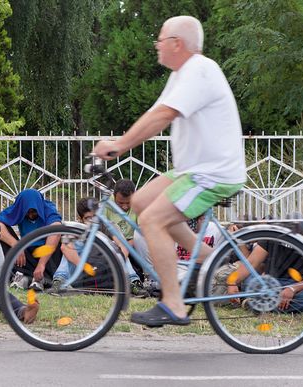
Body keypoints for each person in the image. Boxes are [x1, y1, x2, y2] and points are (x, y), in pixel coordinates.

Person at [93, 16, 246, 327]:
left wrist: (119, 145)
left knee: (151, 220)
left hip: (212, 173)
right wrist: (118, 142)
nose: (156, 46)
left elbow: (163, 116)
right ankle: (205, 258)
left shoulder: (200, 70)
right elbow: (154, 113)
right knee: (139, 203)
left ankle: (173, 304)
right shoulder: (180, 75)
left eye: (160, 40)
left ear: (177, 43)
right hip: (191, 170)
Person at [227, 213, 303, 313]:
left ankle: (258, 303)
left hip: (302, 285)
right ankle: (277, 304)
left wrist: (292, 289)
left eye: (297, 236)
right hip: (272, 283)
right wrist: (232, 282)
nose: (292, 240)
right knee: (249, 281)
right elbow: (252, 262)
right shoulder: (273, 235)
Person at [52, 198, 147, 298]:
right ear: (80, 219)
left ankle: (133, 282)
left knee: (118, 249)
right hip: (81, 271)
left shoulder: (108, 225)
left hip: (106, 269)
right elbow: (65, 248)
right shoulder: (76, 227)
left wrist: (116, 262)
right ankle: (59, 280)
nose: (93, 221)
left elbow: (124, 246)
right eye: (88, 218)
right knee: (70, 247)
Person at [0, 189, 62, 291]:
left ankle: (40, 278)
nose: (31, 216)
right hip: (27, 252)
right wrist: (16, 245)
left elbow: (56, 229)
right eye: (27, 212)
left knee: (56, 239)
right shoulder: (18, 207)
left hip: (45, 255)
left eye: (34, 212)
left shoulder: (48, 207)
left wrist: (41, 264)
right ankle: (24, 278)